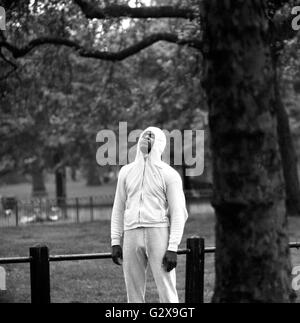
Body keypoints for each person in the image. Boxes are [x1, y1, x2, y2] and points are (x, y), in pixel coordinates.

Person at [111, 126, 188, 303]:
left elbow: (179, 213)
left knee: (167, 290)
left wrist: (173, 247)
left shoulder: (169, 174)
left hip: (158, 232)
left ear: (160, 143)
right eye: (145, 135)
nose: (147, 137)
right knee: (133, 292)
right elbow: (118, 208)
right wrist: (115, 240)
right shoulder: (126, 172)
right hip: (130, 233)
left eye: (152, 136)